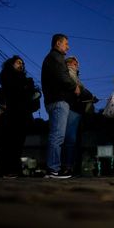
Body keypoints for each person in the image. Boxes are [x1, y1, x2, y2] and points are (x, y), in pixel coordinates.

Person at [41, 33, 80, 178]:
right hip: (58, 101)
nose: (68, 47)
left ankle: (53, 168)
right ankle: (53, 169)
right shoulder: (56, 58)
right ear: (58, 43)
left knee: (56, 136)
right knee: (57, 136)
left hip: (54, 100)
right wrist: (74, 86)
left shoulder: (53, 58)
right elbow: (63, 78)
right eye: (66, 44)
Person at [0, 55, 38, 179]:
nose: (21, 65)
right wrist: (25, 86)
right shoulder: (7, 76)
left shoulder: (25, 79)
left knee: (18, 144)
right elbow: (14, 91)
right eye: (18, 62)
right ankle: (8, 170)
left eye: (22, 63)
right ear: (11, 64)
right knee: (10, 143)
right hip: (11, 115)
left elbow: (28, 96)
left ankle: (15, 170)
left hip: (23, 116)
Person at [64, 56, 98, 175]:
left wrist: (90, 97)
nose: (77, 65)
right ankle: (68, 167)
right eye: (75, 63)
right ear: (69, 64)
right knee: (71, 139)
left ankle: (73, 167)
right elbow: (78, 90)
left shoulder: (76, 77)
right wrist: (89, 96)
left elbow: (82, 90)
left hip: (77, 110)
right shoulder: (69, 73)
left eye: (77, 63)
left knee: (76, 140)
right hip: (72, 109)